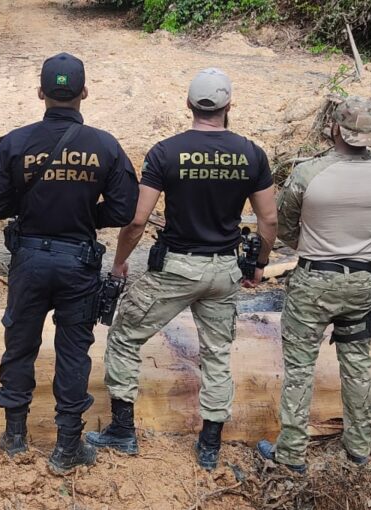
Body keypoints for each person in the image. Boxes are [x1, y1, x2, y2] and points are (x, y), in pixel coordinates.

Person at [85, 68, 277, 471]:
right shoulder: (252, 153)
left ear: (188, 104)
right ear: (228, 107)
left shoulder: (166, 152)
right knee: (218, 354)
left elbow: (137, 221)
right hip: (224, 268)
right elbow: (269, 221)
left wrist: (120, 264)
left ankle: (123, 430)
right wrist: (258, 266)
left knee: (123, 336)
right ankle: (209, 445)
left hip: (175, 269)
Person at [0, 52, 139, 476]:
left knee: (20, 344)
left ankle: (15, 436)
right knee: (73, 352)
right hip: (78, 263)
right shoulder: (105, 145)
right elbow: (124, 211)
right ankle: (67, 446)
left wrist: (30, 207)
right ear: (83, 93)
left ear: (41, 93)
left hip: (29, 259)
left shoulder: (15, 142)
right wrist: (87, 214)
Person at [257, 97, 371, 473]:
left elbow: (285, 223)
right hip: (362, 280)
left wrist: (311, 245)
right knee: (357, 363)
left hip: (314, 280)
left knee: (300, 368)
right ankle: (358, 448)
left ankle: (291, 453)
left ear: (336, 129)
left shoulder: (309, 173)